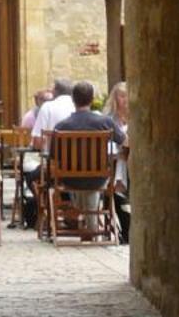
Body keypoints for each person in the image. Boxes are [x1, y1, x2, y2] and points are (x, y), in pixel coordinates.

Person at [49, 79, 118, 239]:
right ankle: (91, 227)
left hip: (70, 180)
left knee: (79, 181)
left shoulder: (62, 126)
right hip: (98, 178)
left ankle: (84, 220)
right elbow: (123, 141)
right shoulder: (105, 122)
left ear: (73, 100)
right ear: (92, 100)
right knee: (92, 184)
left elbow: (53, 155)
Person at [22, 79, 74, 229]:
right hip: (84, 170)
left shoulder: (48, 107)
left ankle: (48, 212)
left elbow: (37, 142)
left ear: (56, 92)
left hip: (56, 169)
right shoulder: (78, 107)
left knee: (32, 177)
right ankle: (69, 211)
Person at [104, 80, 130, 243]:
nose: (125, 100)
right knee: (120, 162)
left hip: (128, 161)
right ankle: (120, 191)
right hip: (114, 160)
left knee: (123, 163)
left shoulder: (135, 117)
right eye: (121, 96)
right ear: (115, 99)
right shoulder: (108, 119)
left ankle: (120, 190)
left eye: (127, 96)